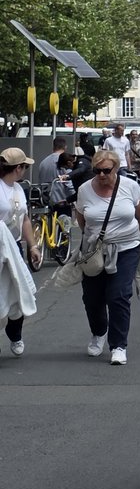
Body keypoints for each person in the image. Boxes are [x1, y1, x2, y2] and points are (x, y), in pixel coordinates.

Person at [74, 149, 140, 365]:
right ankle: (99, 332)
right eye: (97, 170)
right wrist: (95, 239)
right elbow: (82, 219)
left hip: (127, 247)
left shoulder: (130, 186)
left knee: (119, 295)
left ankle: (118, 346)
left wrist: (137, 237)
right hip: (95, 249)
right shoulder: (85, 190)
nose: (101, 175)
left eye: (106, 170)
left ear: (116, 168)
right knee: (92, 298)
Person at [0, 147, 39, 356]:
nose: (25, 170)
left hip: (14, 247)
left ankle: (15, 333)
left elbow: (24, 219)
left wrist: (32, 246)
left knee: (19, 290)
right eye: (24, 167)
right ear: (18, 168)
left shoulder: (18, 189)